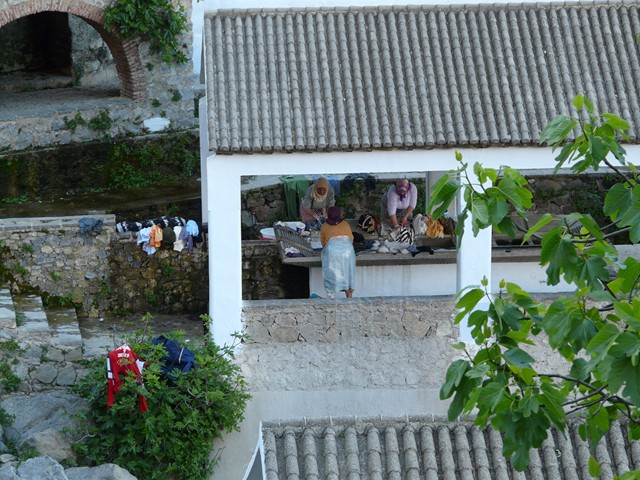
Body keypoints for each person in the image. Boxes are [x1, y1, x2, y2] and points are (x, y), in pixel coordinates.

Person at [320, 206, 356, 298]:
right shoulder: (345, 224)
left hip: (332, 249)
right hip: (348, 250)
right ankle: (349, 299)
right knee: (348, 273)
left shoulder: (324, 226)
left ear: (328, 215)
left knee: (331, 273)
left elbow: (323, 243)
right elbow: (351, 238)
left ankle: (331, 296)